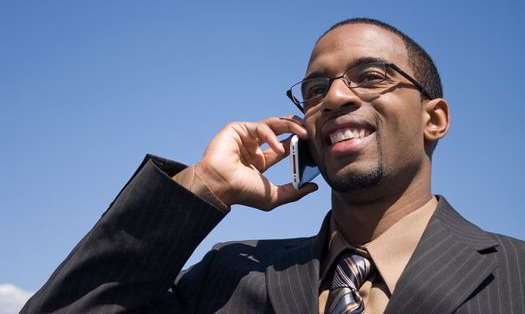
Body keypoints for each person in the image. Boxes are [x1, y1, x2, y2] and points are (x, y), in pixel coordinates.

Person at [22, 18, 525, 314]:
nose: (336, 97)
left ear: (433, 119)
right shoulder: (230, 276)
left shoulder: (515, 273)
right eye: (315, 89)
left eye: (371, 76)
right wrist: (206, 184)